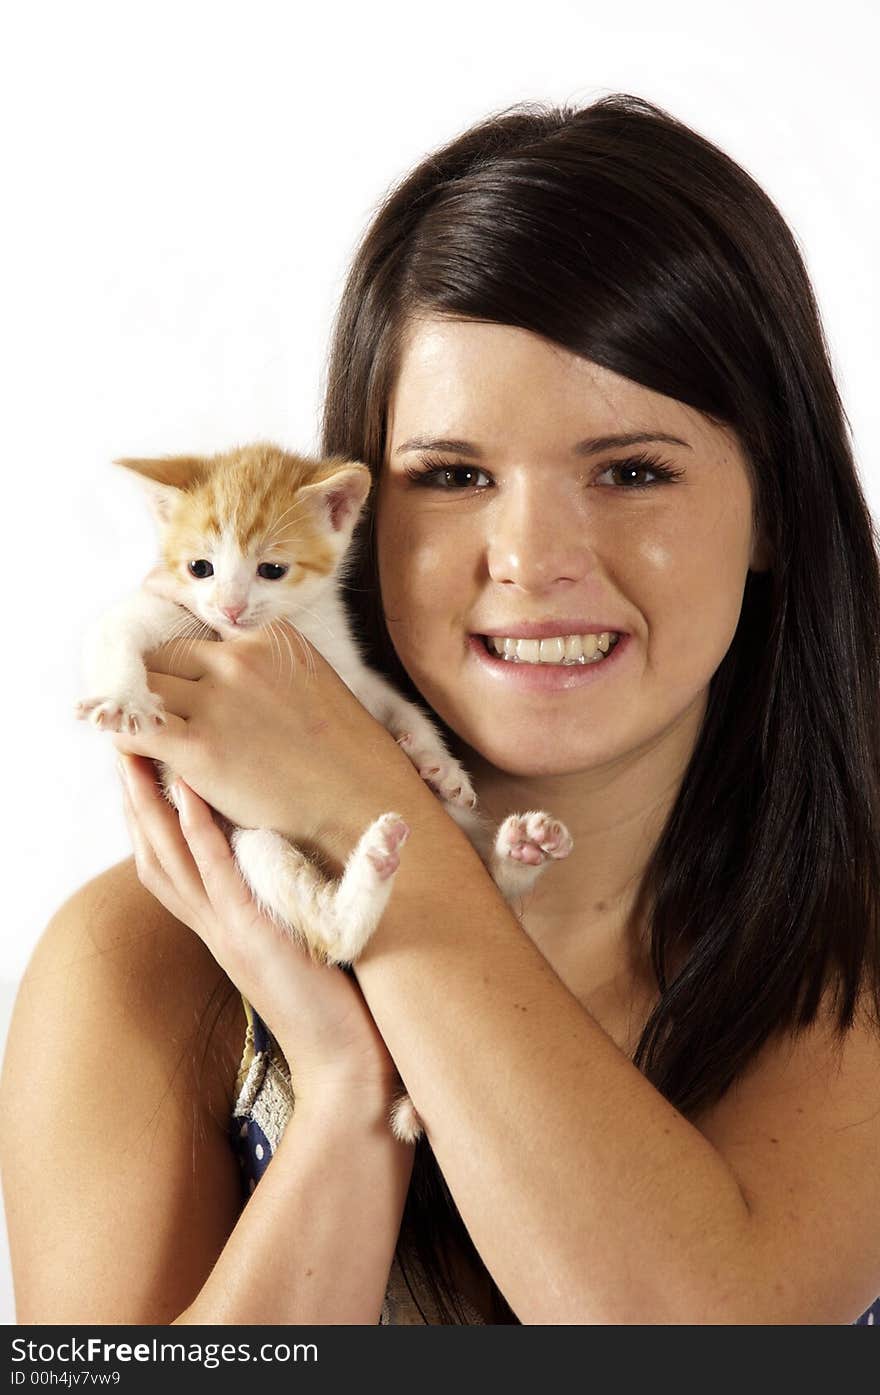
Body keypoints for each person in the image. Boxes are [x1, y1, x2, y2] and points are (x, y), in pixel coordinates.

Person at [2, 91, 879, 1326]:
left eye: (630, 471)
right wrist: (346, 1098)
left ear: (776, 509)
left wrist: (363, 809)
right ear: (349, 518)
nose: (529, 557)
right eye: (454, 477)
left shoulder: (854, 953)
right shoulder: (142, 967)